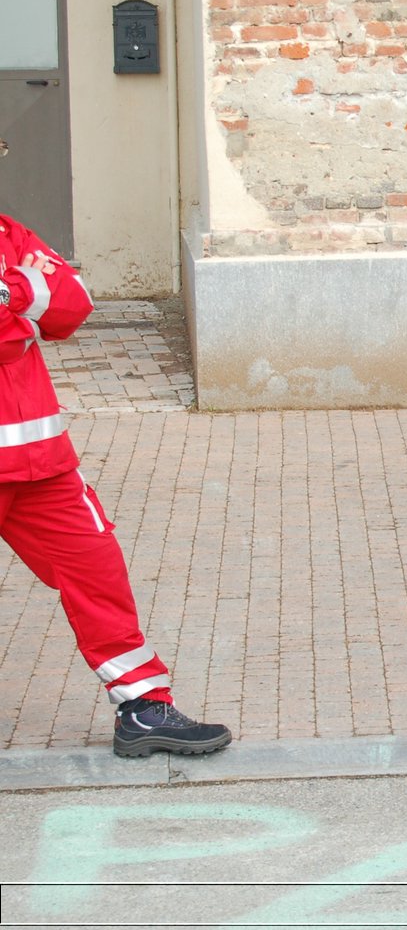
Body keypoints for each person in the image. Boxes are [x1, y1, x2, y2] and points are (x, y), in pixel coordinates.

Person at [0, 206, 231, 758]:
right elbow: (33, 314)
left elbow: (73, 305)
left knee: (97, 572)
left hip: (40, 463)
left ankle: (145, 708)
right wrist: (26, 292)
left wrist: (18, 301)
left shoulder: (7, 231)